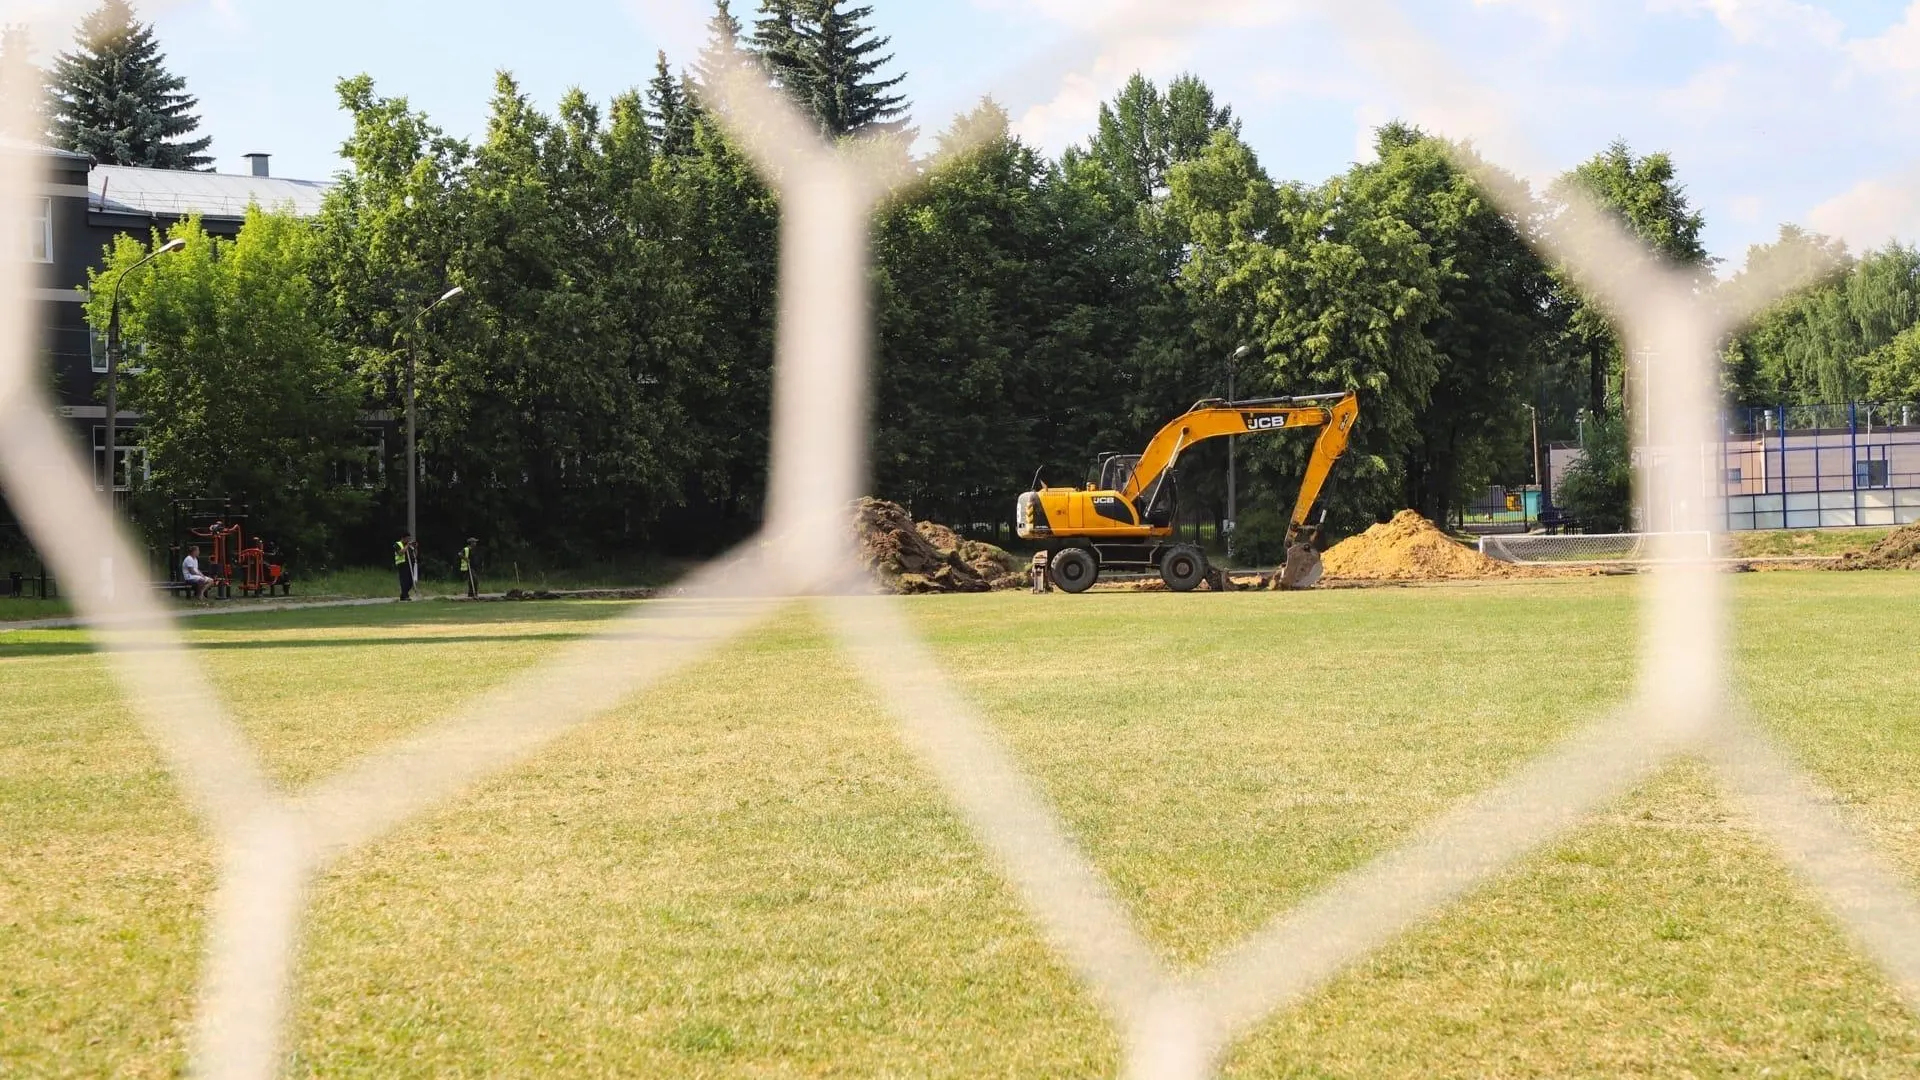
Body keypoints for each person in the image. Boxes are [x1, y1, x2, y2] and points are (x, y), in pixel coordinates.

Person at [395, 532, 415, 601]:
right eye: (407, 539)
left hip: (410, 565)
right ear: (403, 538)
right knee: (404, 581)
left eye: (409, 539)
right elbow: (400, 553)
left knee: (411, 582)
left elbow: (414, 554)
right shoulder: (398, 544)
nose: (408, 540)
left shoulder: (410, 545)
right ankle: (406, 596)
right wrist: (407, 546)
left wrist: (415, 547)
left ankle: (403, 595)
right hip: (402, 564)